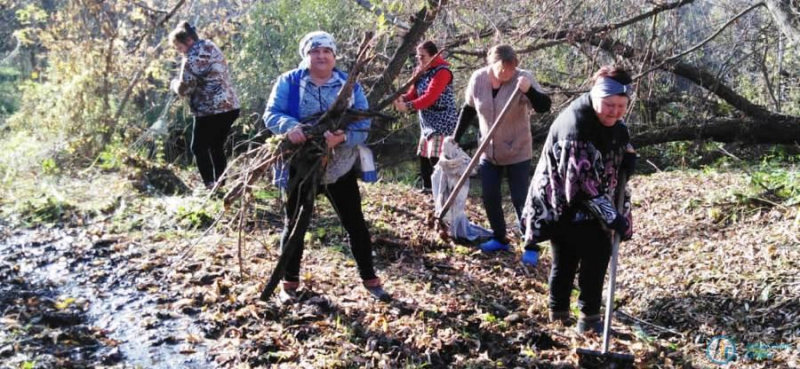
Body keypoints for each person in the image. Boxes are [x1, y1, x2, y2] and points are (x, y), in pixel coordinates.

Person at [263, 31, 390, 303]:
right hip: (302, 165)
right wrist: (290, 127)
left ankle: (370, 280)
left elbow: (363, 124)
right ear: (306, 55)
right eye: (315, 51)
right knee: (295, 225)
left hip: (339, 168)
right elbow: (271, 114)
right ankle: (289, 283)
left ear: (334, 56)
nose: (321, 56)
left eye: (326, 52)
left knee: (355, 224)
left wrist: (343, 137)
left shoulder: (349, 85)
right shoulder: (289, 81)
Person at [521, 65, 637, 334]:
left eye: (622, 106)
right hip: (561, 202)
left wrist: (628, 159)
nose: (615, 112)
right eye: (609, 105)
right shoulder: (576, 128)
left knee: (570, 256)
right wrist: (613, 217)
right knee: (594, 252)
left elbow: (621, 142)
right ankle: (589, 318)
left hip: (583, 199)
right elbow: (582, 188)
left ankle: (559, 312)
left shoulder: (614, 122)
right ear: (594, 95)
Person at [453, 45, 551, 253]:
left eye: (512, 68)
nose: (508, 73)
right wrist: (456, 138)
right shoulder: (478, 79)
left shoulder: (523, 78)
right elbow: (469, 109)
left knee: (520, 198)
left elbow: (544, 106)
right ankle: (500, 237)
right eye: (503, 69)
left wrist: (530, 91)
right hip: (488, 151)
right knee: (489, 195)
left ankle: (531, 244)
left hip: (518, 150)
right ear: (491, 63)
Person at [169, 21, 240, 190]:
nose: (179, 52)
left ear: (187, 42)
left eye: (179, 48)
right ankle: (221, 184)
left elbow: (184, 89)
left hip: (209, 110)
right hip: (230, 106)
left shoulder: (190, 60)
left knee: (198, 147)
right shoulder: (210, 45)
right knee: (216, 146)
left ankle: (209, 184)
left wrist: (173, 84)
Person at [393, 41, 458, 193]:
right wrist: (401, 98)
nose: (419, 59)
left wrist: (408, 107)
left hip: (442, 120)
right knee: (423, 154)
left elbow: (430, 97)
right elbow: (413, 94)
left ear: (433, 56)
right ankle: (427, 188)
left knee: (435, 157)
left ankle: (441, 191)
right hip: (427, 120)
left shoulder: (443, 72)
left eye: (422, 56)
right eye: (418, 56)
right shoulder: (420, 71)